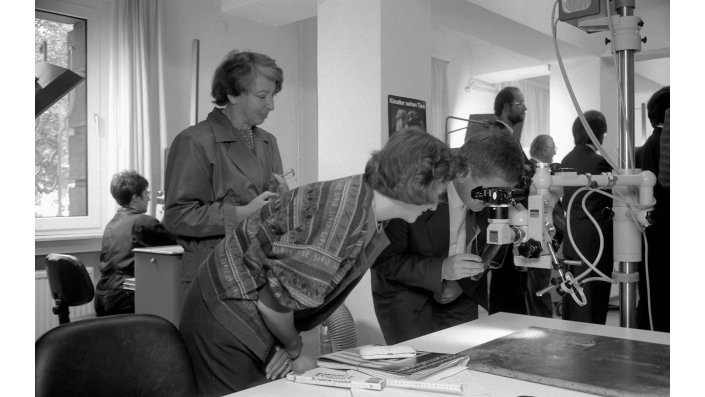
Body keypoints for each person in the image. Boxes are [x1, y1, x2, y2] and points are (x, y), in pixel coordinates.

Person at [178, 128, 462, 396]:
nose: (435, 205)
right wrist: (294, 350)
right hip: (226, 316)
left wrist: (284, 343)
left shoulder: (367, 205)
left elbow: (285, 296)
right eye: (437, 194)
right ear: (415, 185)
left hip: (258, 311)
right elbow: (274, 305)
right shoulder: (340, 220)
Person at [371, 128, 526, 344]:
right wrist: (442, 270)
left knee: (465, 363)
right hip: (408, 297)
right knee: (420, 367)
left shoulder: (495, 195)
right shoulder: (418, 186)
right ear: (464, 172)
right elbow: (384, 260)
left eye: (503, 193)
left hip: (462, 295)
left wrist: (461, 282)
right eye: (491, 192)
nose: (495, 200)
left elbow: (492, 248)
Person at [163, 50, 286, 297]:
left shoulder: (267, 141)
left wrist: (283, 199)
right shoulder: (195, 141)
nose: (271, 105)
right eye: (262, 96)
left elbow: (269, 208)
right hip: (216, 273)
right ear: (231, 94)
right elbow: (177, 216)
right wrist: (240, 213)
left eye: (272, 95)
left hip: (261, 267)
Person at [95, 170, 176, 316]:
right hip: (125, 298)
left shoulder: (113, 222)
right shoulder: (143, 222)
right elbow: (175, 242)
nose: (149, 199)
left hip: (103, 297)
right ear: (136, 197)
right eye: (147, 194)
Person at [560, 110, 613, 324]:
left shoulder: (565, 159)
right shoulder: (599, 163)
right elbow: (610, 202)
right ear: (598, 134)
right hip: (595, 240)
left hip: (572, 237)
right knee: (594, 298)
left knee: (574, 293)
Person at [635, 86, 669, 332]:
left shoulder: (649, 144)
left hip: (653, 231)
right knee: (659, 293)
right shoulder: (662, 144)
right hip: (662, 231)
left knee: (654, 291)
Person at [523, 134, 559, 318]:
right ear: (545, 149)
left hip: (540, 235)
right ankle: (543, 324)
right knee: (540, 288)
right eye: (553, 147)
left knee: (536, 287)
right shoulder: (533, 172)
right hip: (537, 237)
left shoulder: (534, 171)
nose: (555, 151)